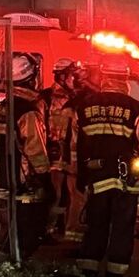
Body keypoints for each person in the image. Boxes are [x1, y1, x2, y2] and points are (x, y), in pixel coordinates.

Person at [72, 59, 139, 277]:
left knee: (95, 224)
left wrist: (80, 175)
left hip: (95, 177)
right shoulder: (135, 108)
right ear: (125, 80)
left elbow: (75, 145)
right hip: (125, 179)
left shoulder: (84, 106)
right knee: (122, 227)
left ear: (103, 77)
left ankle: (88, 273)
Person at [0, 53, 52, 256]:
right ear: (31, 78)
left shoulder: (4, 106)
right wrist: (44, 176)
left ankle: (7, 253)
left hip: (4, 172)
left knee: (10, 218)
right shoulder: (28, 110)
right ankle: (20, 257)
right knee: (27, 221)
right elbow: (34, 147)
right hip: (24, 176)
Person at [45, 58, 84, 242]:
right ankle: (47, 230)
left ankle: (69, 231)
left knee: (74, 194)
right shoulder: (48, 98)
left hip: (71, 153)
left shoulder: (75, 98)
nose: (75, 79)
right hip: (55, 152)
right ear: (62, 76)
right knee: (55, 194)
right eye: (72, 75)